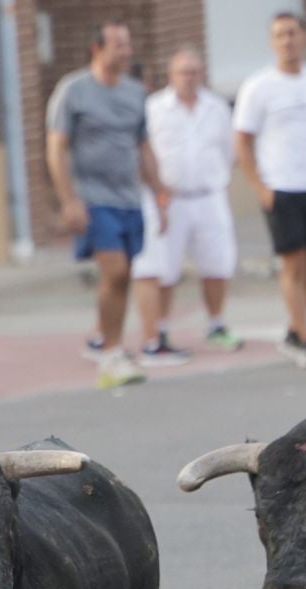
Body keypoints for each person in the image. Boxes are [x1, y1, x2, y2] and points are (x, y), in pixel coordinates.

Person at [45, 20, 164, 391]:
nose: (127, 52)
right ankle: (111, 351)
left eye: (128, 45)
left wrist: (160, 192)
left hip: (129, 198)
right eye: (119, 46)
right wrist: (69, 199)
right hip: (93, 199)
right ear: (98, 49)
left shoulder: (134, 93)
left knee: (126, 273)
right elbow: (57, 147)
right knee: (113, 271)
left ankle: (110, 345)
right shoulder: (74, 91)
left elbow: (143, 146)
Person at [235, 11, 306, 371]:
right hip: (281, 186)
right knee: (292, 262)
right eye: (280, 35)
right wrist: (259, 186)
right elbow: (243, 139)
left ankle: (295, 328)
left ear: (304, 38)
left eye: (293, 33)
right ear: (271, 42)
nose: (287, 41)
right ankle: (305, 339)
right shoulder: (258, 86)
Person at [131, 48, 242, 364]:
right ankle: (161, 328)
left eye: (194, 71)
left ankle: (217, 324)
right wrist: (158, 190)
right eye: (183, 72)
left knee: (217, 263)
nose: (189, 78)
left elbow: (227, 150)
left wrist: (215, 177)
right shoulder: (155, 108)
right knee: (164, 267)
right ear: (171, 75)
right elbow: (145, 150)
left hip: (208, 195)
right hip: (170, 199)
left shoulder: (216, 106)